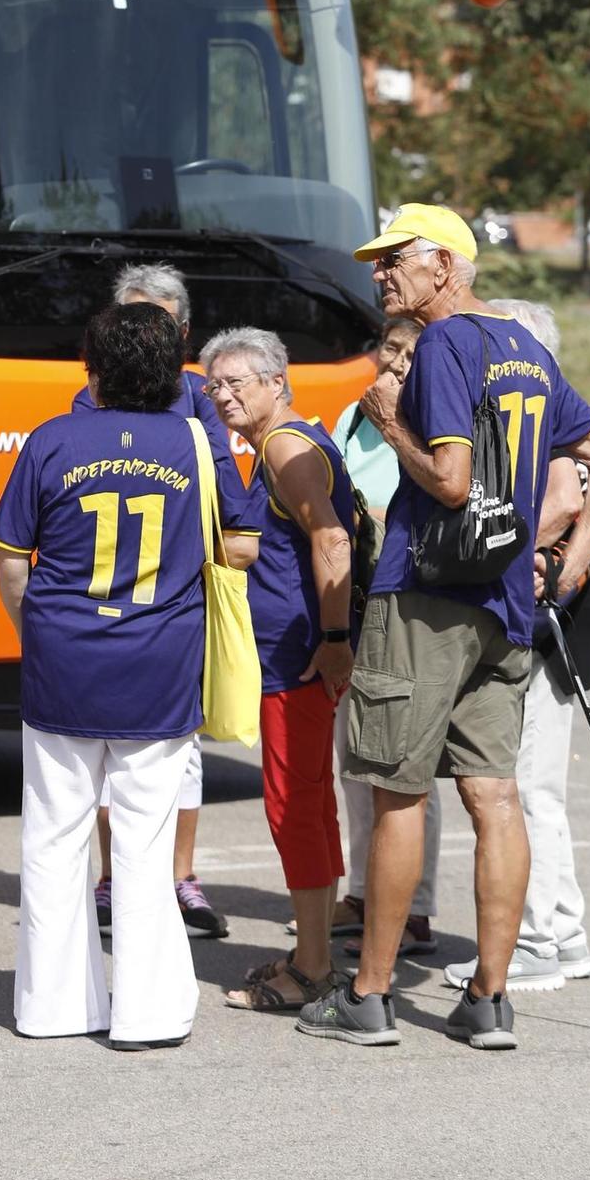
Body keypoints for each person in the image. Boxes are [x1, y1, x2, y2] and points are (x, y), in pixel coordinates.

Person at [296, 205, 590, 1051]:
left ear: (445, 264)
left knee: (398, 788)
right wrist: (573, 562)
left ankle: (368, 995)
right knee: (495, 794)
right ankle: (488, 998)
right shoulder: (522, 345)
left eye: (394, 261)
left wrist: (387, 421)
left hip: (426, 595)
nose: (380, 276)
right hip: (506, 606)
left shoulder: (446, 344)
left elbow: (446, 480)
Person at [0, 303, 209, 1048]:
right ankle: (146, 1014)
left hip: (64, 658)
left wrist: (40, 632)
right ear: (172, 365)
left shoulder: (51, 439)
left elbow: (11, 559)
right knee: (146, 844)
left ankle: (52, 1007)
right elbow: (237, 545)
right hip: (160, 662)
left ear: (93, 363)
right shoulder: (196, 441)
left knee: (53, 836)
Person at [76, 263, 259, 942]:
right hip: (107, 607)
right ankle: (111, 877)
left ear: (180, 332)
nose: (136, 339)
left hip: (177, 605)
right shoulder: (84, 404)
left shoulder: (196, 403)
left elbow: (230, 506)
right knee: (103, 751)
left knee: (179, 755)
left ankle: (179, 878)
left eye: (151, 324)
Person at [444, 299, 590, 995]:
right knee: (533, 784)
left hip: (547, 628)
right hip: (541, 619)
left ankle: (541, 936)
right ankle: (560, 930)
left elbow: (565, 502)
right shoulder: (534, 418)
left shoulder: (552, 428)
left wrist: (509, 545)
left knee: (529, 785)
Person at [201, 327, 357, 1016]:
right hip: (295, 649)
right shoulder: (287, 441)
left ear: (275, 382)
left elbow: (330, 537)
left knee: (293, 807)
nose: (224, 393)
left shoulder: (286, 447)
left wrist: (332, 637)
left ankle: (315, 967)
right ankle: (312, 952)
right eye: (214, 383)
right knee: (310, 803)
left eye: (238, 381)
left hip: (295, 654)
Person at [327, 315, 442, 956]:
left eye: (408, 351)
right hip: (356, 603)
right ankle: (364, 892)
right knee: (357, 761)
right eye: (388, 347)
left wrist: (363, 517)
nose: (394, 360)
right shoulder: (356, 414)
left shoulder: (427, 418)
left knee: (404, 767)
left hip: (407, 605)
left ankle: (414, 909)